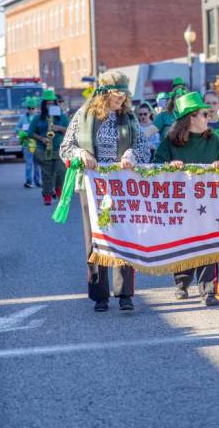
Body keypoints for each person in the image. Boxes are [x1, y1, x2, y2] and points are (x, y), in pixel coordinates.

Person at [60, 70, 151, 312]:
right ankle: (99, 295)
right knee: (95, 238)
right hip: (91, 185)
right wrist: (81, 153)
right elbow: (66, 147)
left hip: (121, 186)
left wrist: (132, 154)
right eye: (117, 93)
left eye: (124, 94)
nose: (122, 98)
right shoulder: (83, 115)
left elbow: (144, 148)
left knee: (123, 235)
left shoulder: (129, 118)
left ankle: (125, 294)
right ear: (103, 93)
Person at [153, 92, 219, 306]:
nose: (209, 117)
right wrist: (169, 167)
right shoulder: (170, 142)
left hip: (209, 202)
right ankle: (182, 282)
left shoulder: (213, 139)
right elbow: (155, 166)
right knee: (183, 242)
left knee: (209, 243)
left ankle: (208, 290)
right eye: (204, 114)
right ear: (191, 118)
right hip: (181, 203)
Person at [29, 89, 69, 205]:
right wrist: (41, 139)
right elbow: (30, 132)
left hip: (59, 149)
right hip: (43, 149)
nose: (50, 105)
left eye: (52, 102)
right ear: (44, 104)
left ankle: (59, 191)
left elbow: (70, 131)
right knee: (47, 174)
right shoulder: (38, 118)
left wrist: (59, 128)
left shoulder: (61, 116)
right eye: (47, 103)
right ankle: (47, 195)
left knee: (61, 172)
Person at [16, 97, 41, 189]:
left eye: (33, 108)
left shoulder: (39, 117)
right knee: (29, 164)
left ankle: (37, 181)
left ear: (36, 108)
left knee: (37, 165)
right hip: (27, 144)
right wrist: (21, 131)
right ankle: (28, 181)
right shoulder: (23, 118)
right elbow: (17, 128)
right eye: (29, 108)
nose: (31, 110)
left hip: (37, 144)